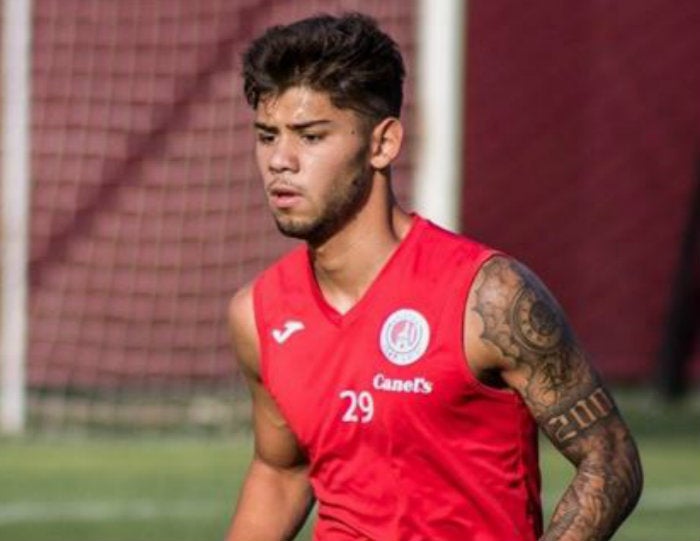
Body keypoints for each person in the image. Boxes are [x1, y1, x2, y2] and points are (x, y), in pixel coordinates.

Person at [226, 13, 642, 541]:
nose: (279, 161)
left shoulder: (489, 298)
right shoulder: (258, 313)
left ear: (383, 144)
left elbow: (610, 460)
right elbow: (282, 471)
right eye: (267, 136)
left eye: (310, 136)